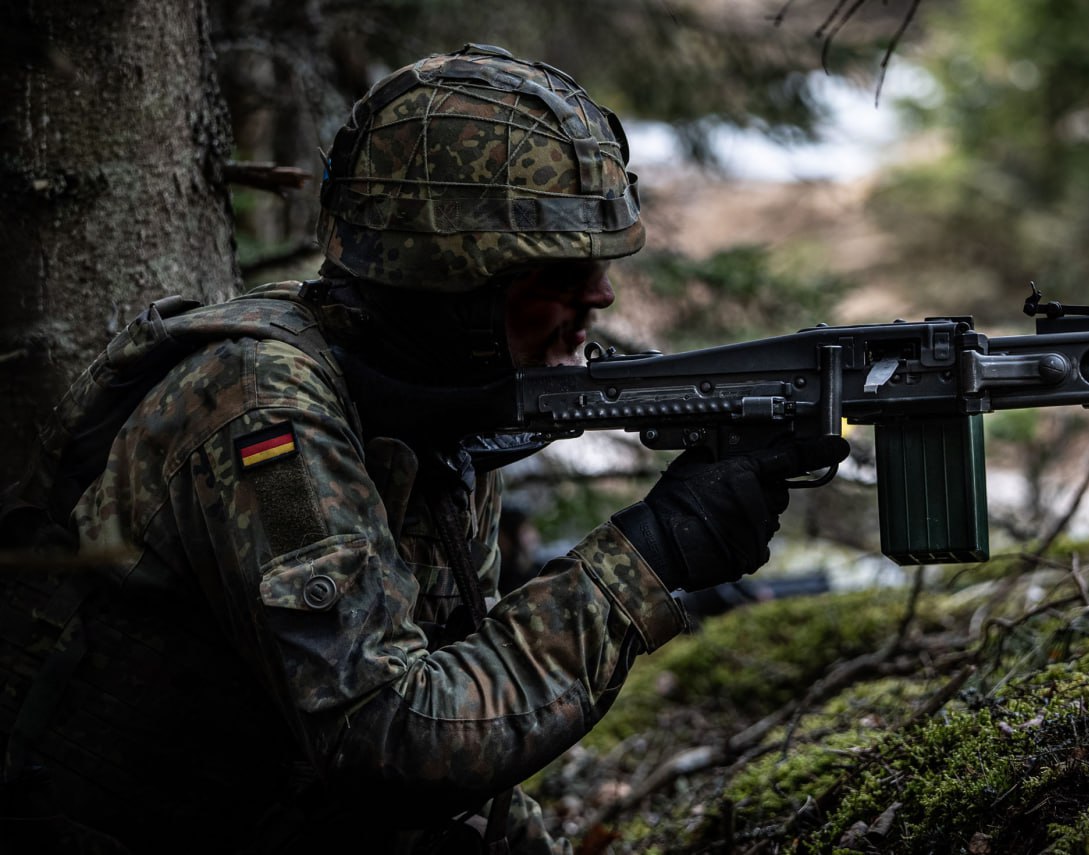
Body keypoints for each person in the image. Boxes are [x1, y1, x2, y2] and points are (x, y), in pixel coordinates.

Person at [0, 44, 848, 854]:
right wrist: (646, 558)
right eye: (557, 273)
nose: (600, 295)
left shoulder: (433, 412)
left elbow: (457, 737)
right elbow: (395, 743)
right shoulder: (261, 416)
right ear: (448, 284)